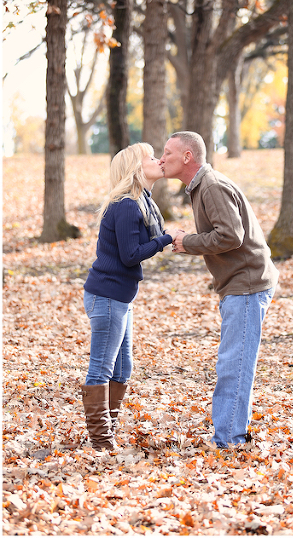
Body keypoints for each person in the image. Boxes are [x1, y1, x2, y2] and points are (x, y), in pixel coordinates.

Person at [159, 131, 279, 449]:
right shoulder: (201, 186)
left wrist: (188, 242)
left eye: (168, 152)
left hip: (247, 284)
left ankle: (229, 440)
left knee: (233, 364)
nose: (161, 158)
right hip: (239, 283)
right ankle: (231, 434)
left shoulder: (210, 186)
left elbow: (231, 236)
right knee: (233, 362)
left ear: (188, 156)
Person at [82, 143, 176, 450]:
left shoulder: (141, 202)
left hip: (119, 297)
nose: (158, 160)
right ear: (136, 169)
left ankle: (107, 431)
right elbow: (130, 255)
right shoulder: (125, 205)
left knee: (123, 368)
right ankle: (101, 441)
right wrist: (166, 239)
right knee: (102, 367)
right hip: (108, 295)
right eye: (151, 158)